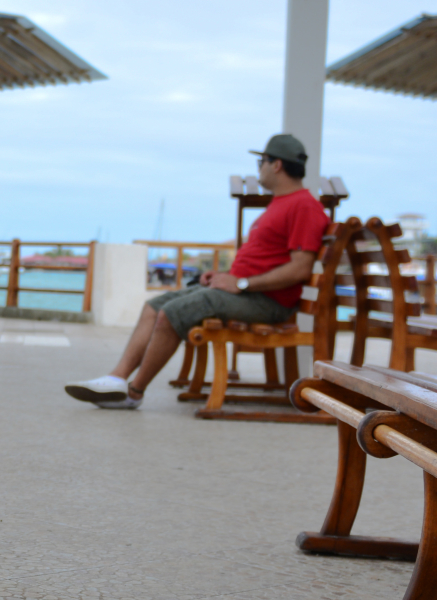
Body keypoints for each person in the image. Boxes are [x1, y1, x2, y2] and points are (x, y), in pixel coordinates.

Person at [66, 133, 328, 409]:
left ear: (276, 165)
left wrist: (241, 285)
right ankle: (116, 379)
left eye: (261, 161)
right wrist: (223, 277)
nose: (259, 167)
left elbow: (300, 269)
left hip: (266, 302)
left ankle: (133, 393)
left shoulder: (304, 206)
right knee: (153, 306)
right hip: (248, 293)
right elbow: (264, 259)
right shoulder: (281, 203)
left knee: (172, 314)